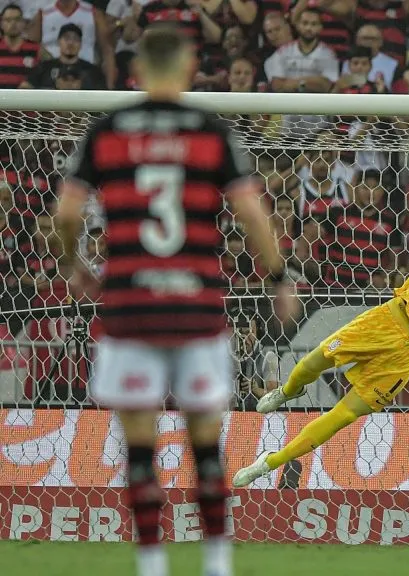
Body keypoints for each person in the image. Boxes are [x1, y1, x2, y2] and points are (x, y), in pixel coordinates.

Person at [53, 27, 297, 576]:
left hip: (129, 309)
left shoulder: (106, 131)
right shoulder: (210, 131)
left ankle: (151, 564)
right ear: (188, 68)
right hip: (197, 309)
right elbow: (251, 213)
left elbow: (67, 214)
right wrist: (280, 277)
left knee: (140, 449)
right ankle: (216, 564)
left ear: (137, 70)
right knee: (205, 447)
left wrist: (75, 265)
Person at [232, 90, 409, 488]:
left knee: (344, 415)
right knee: (314, 363)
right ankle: (288, 391)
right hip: (389, 318)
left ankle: (270, 461)